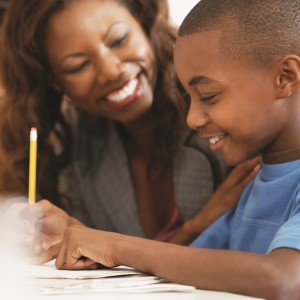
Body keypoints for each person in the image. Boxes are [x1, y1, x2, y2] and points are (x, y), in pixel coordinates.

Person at [32, 0, 300, 299]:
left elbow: (284, 279)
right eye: (190, 97)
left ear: (285, 77)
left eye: (208, 96)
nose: (192, 118)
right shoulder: (254, 185)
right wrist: (85, 242)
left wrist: (115, 245)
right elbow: (177, 262)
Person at [0, 0, 259, 250]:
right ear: (54, 82)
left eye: (119, 40)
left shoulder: (222, 108)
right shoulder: (76, 152)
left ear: (143, 22)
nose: (111, 71)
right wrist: (194, 228)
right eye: (78, 65)